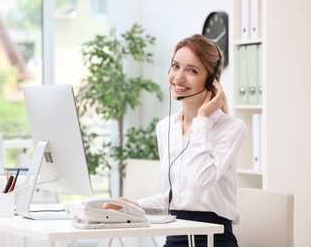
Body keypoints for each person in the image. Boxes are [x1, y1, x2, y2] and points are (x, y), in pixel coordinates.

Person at [103, 34, 247, 247]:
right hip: (175, 235)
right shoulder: (165, 127)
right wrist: (137, 205)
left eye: (192, 70)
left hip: (212, 239)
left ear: (211, 81)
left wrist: (202, 119)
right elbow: (174, 199)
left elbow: (199, 183)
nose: (178, 77)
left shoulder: (232, 128)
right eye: (175, 66)